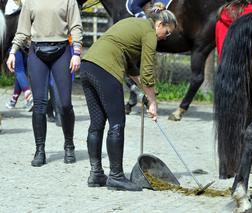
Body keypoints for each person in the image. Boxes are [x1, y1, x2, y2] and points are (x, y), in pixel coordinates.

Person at [80, 2, 177, 191]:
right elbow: (147, 70)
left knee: (97, 122)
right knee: (117, 123)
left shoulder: (134, 24)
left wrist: (148, 95)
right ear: (159, 24)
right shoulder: (149, 33)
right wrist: (154, 103)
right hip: (105, 69)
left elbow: (132, 68)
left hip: (87, 66)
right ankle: (116, 176)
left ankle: (96, 174)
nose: (167, 37)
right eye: (167, 32)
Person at [6, 0, 83, 167]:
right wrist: (13, 52)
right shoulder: (30, 1)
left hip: (62, 51)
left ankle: (69, 145)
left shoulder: (69, 1)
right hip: (37, 52)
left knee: (65, 104)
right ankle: (39, 150)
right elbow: (22, 30)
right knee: (39, 104)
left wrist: (76, 52)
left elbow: (76, 26)